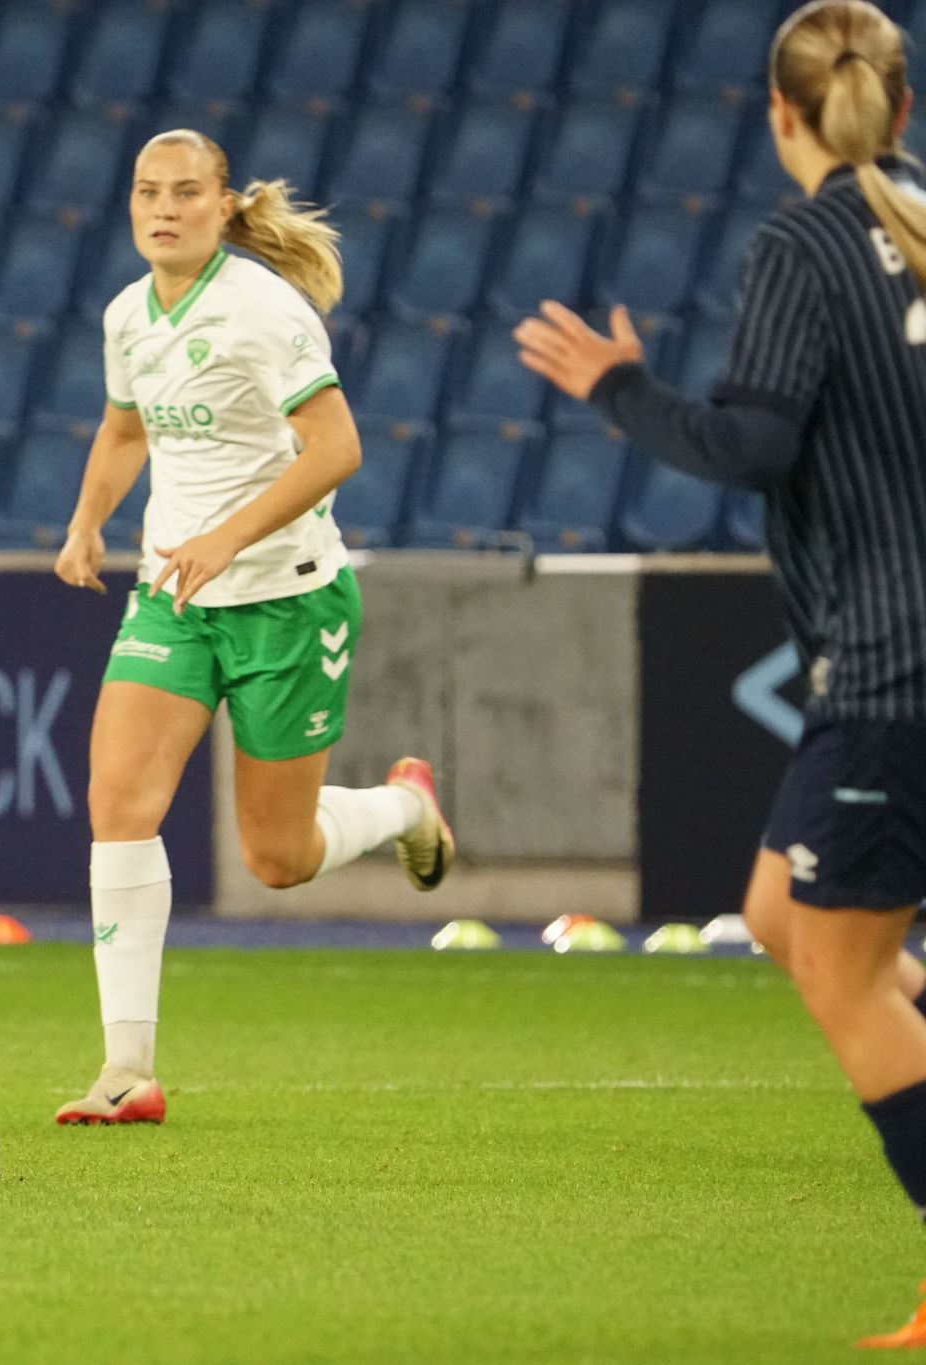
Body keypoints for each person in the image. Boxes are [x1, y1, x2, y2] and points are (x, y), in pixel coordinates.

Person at [513, 1, 926, 1344]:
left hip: (892, 670)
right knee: (780, 915)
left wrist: (619, 389)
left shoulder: (801, 245)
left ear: (779, 113)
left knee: (844, 980)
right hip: (889, 662)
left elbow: (753, 444)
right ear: (897, 109)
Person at [50, 130, 456, 1126]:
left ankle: (404, 808)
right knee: (117, 804)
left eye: (185, 192)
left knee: (278, 858)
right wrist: (87, 520)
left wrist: (227, 537)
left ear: (224, 205)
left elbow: (336, 447)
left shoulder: (263, 310)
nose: (163, 208)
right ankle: (125, 1071)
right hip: (174, 599)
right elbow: (124, 428)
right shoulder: (126, 314)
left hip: (288, 599)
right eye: (147, 191)